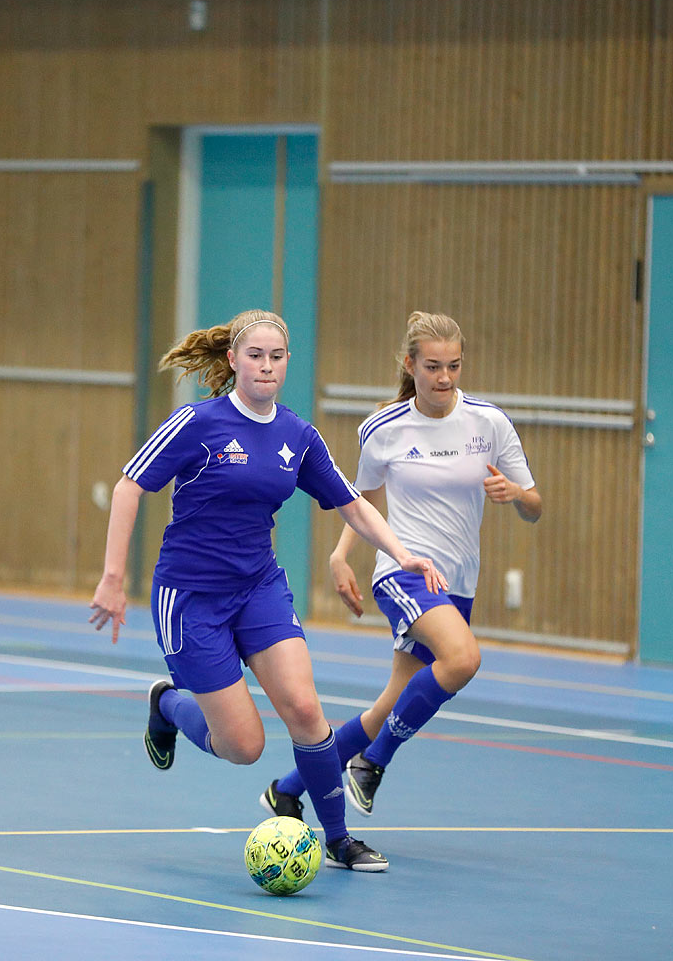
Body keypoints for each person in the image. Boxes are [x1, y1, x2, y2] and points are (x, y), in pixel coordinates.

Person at [89, 308, 448, 873]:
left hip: (259, 587)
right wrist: (113, 578)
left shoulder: (298, 436)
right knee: (243, 747)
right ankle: (166, 704)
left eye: (276, 357)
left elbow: (352, 502)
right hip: (191, 598)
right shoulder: (197, 423)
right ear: (232, 361)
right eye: (254, 356)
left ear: (287, 364)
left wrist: (402, 554)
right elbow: (130, 486)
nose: (266, 366)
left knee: (306, 709)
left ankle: (337, 839)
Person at [259, 311, 541, 822]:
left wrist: (517, 494)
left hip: (458, 582)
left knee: (392, 702)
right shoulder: (384, 428)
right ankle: (372, 763)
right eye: (433, 366)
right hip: (403, 571)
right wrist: (341, 555)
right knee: (463, 659)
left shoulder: (489, 422)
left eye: (454, 365)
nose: (445, 377)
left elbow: (535, 505)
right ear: (410, 365)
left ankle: (288, 787)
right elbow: (360, 500)